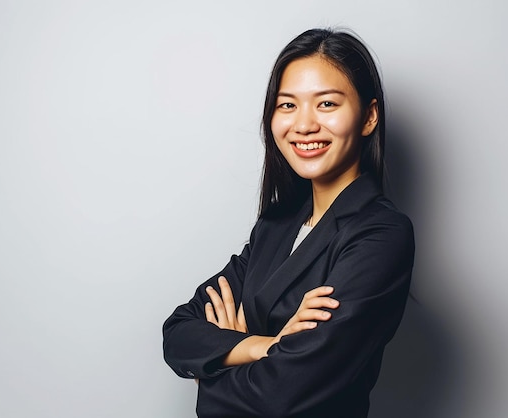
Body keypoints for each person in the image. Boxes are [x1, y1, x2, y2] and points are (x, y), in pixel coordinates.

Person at [162, 27, 415, 418]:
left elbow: (280, 396)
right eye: (287, 105)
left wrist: (211, 369)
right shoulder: (276, 225)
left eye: (327, 104)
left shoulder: (381, 236)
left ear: (368, 117)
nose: (304, 125)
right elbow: (177, 332)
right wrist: (263, 345)